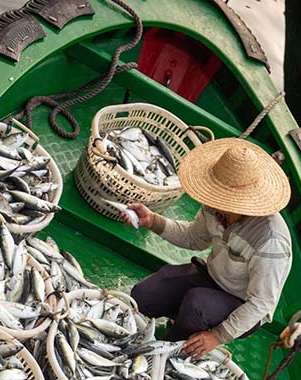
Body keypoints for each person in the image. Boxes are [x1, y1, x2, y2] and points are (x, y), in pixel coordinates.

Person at [123, 138, 292, 359]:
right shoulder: (215, 204)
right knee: (144, 295)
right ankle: (184, 323)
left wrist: (218, 336)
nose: (216, 203)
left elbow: (261, 303)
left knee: (197, 305)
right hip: (210, 277)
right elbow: (193, 238)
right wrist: (152, 221)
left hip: (241, 302)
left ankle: (173, 350)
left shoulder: (271, 240)